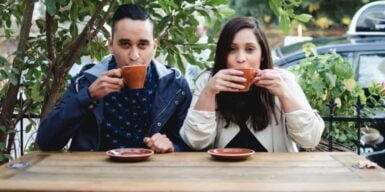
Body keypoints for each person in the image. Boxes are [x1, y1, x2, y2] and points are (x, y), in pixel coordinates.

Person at [36, 4, 192, 153]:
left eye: (142, 45)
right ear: (111, 45)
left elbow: (190, 146)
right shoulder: (86, 81)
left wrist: (172, 147)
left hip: (152, 175)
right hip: (96, 174)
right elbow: (46, 141)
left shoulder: (175, 86)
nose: (134, 56)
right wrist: (88, 96)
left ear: (154, 46)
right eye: (125, 44)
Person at [179, 17, 324, 152]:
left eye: (250, 49)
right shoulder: (208, 82)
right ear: (223, 54)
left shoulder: (282, 80)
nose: (241, 58)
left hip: (276, 175)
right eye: (232, 49)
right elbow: (195, 142)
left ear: (262, 55)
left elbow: (310, 139)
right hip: (221, 174)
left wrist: (284, 93)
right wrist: (209, 93)